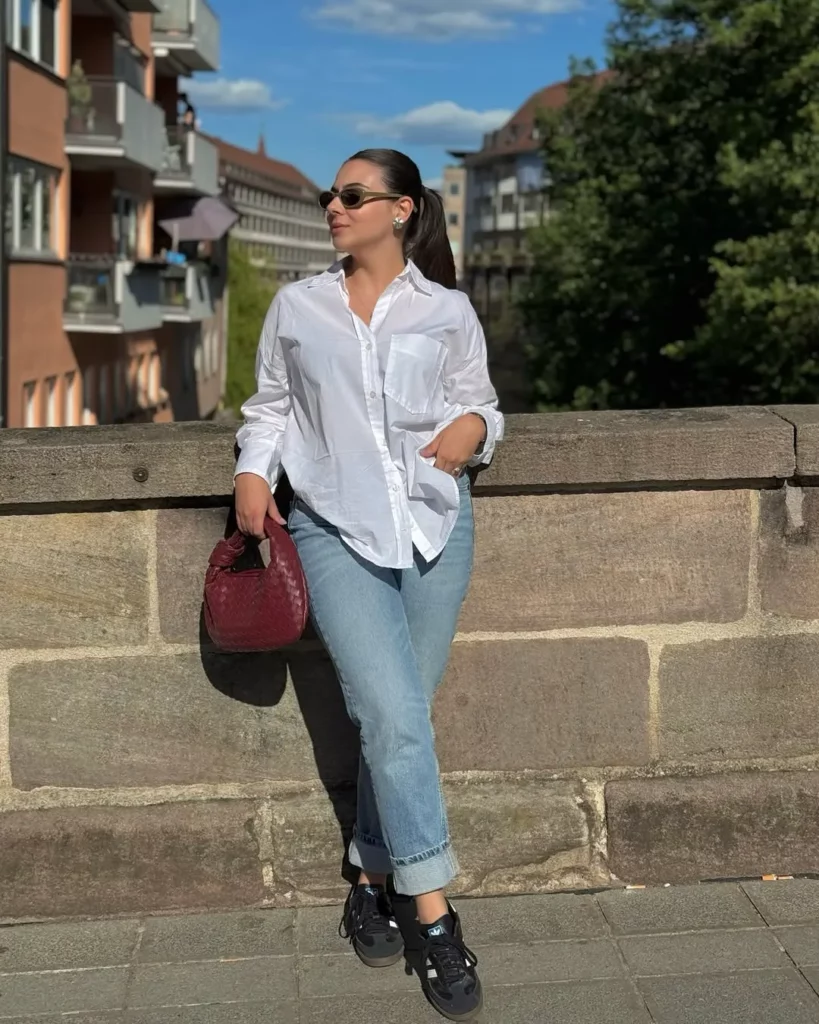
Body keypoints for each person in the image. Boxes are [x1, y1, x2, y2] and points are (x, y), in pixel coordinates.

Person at [233, 148, 503, 1022]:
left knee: (399, 721)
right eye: (330, 196)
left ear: (401, 209)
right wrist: (252, 471)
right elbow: (271, 405)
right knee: (392, 716)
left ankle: (367, 877)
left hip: (434, 526)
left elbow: (481, 402)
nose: (335, 208)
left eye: (353, 196)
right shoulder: (298, 305)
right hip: (332, 527)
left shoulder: (446, 309)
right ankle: (435, 917)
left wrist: (473, 428)